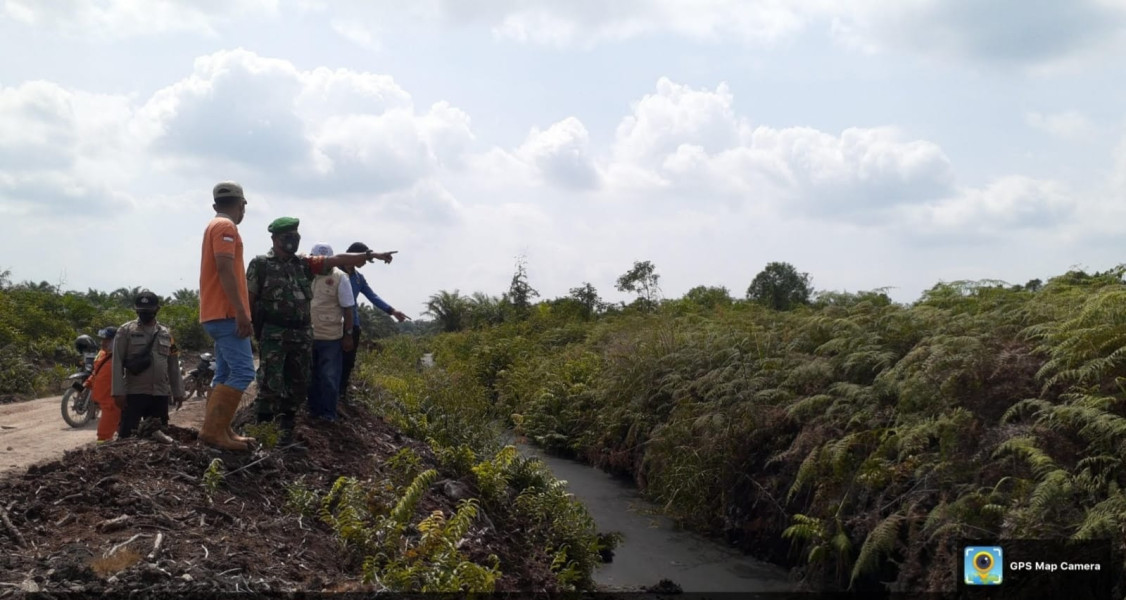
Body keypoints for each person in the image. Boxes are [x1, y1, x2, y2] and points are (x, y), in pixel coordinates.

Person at [247, 218, 389, 449]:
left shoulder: (305, 264)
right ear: (274, 239)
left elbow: (339, 259)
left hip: (302, 335)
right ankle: (262, 435)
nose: (292, 241)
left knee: (298, 384)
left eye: (295, 236)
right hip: (273, 332)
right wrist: (248, 325)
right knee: (270, 384)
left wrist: (371, 255)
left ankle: (286, 437)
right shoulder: (261, 264)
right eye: (287, 237)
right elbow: (249, 298)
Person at [198, 181, 256, 452]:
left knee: (223, 373)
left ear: (215, 205)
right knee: (244, 371)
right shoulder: (225, 227)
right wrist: (242, 313)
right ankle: (213, 432)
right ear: (241, 205)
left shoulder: (215, 225)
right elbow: (224, 269)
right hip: (225, 313)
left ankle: (221, 429)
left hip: (215, 313)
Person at [339, 241, 410, 405]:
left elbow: (373, 296)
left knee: (348, 360)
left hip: (353, 323)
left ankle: (341, 393)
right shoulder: (334, 271)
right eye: (363, 259)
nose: (364, 262)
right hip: (334, 322)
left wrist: (392, 311)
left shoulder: (358, 278)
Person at [111, 290, 186, 439]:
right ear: (136, 310)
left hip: (160, 394)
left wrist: (178, 392)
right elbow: (117, 362)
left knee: (160, 437)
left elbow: (173, 364)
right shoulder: (125, 331)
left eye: (149, 311)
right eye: (141, 311)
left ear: (157, 310)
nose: (145, 314)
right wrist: (117, 392)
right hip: (134, 393)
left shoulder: (166, 334)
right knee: (127, 437)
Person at [306, 243, 355, 422]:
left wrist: (348, 335)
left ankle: (328, 414)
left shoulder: (340, 277)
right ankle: (313, 411)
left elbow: (348, 309)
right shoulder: (305, 274)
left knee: (329, 377)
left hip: (331, 337)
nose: (318, 264)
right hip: (308, 335)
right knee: (310, 375)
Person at [86, 326, 119, 443]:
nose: (103, 342)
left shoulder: (121, 356)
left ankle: (102, 451)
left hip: (112, 402)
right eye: (102, 339)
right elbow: (96, 371)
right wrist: (88, 383)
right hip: (103, 400)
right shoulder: (101, 354)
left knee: (103, 434)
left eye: (107, 340)